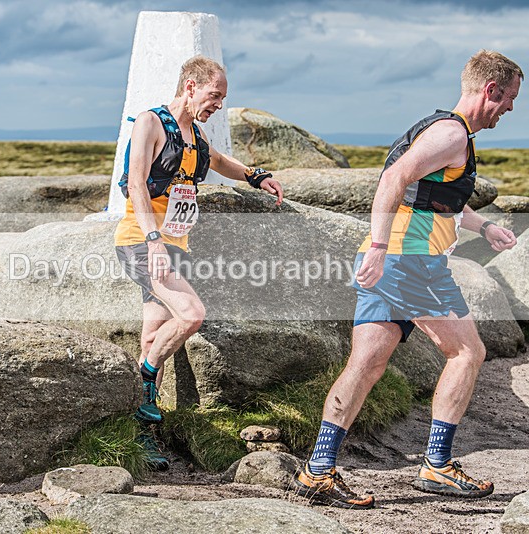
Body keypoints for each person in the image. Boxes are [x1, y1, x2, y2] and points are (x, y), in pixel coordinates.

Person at [294, 50, 523, 509]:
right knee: (467, 351)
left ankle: (318, 470)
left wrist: (484, 227)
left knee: (367, 364)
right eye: (511, 99)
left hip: (396, 258)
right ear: (490, 91)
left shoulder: (442, 131)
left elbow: (432, 197)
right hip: (409, 260)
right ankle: (437, 465)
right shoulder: (451, 133)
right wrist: (380, 248)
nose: (512, 109)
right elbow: (394, 177)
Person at [114, 56, 283, 440]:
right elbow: (138, 184)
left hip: (175, 244)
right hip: (142, 242)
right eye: (214, 95)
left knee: (152, 335)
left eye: (222, 98)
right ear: (190, 86)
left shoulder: (195, 133)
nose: (218, 104)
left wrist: (257, 177)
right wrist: (153, 241)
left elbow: (220, 161)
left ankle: (140, 432)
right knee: (191, 315)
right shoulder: (151, 122)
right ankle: (143, 382)